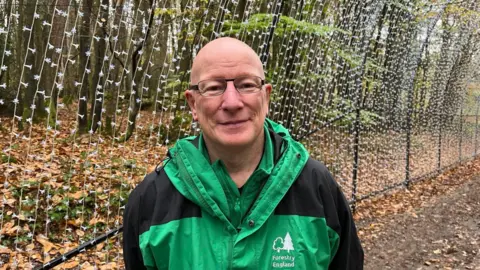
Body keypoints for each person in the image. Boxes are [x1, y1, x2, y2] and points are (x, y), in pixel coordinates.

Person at [123, 37, 364, 269]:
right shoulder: (150, 201)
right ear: (193, 104)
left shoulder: (318, 188)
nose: (232, 102)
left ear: (266, 97)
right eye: (214, 87)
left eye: (247, 85)